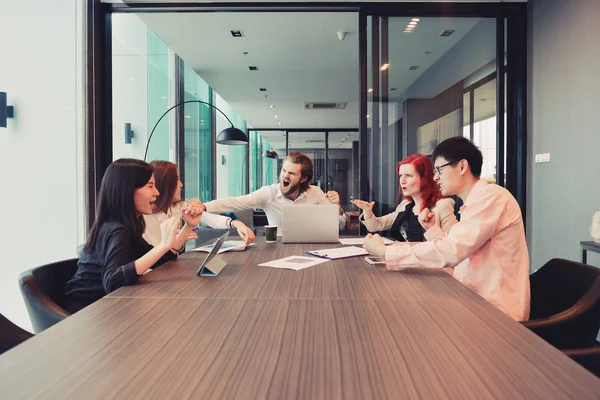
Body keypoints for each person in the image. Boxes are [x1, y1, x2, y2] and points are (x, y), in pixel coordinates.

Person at [364, 137, 530, 321]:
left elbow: (452, 251)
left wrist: (385, 253)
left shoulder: (491, 198)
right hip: (470, 299)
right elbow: (460, 247)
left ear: (462, 167)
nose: (435, 177)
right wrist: (433, 229)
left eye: (439, 170)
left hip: (495, 313)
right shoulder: (476, 201)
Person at [64, 158, 201, 313]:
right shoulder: (117, 229)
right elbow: (113, 281)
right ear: (128, 190)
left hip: (108, 306)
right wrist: (162, 246)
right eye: (150, 186)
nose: (156, 192)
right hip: (86, 313)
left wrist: (188, 225)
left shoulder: (130, 225)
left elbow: (160, 261)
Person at [197, 152, 349, 234]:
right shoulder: (268, 193)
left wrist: (338, 208)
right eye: (284, 170)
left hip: (311, 247)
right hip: (277, 248)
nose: (285, 176)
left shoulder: (315, 192)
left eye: (291, 173)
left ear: (303, 178)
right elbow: (235, 202)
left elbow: (339, 226)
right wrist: (203, 207)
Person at [143, 161, 255, 247]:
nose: (181, 185)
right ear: (165, 184)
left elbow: (211, 219)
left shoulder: (177, 207)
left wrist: (236, 223)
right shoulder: (143, 217)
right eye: (177, 180)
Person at [352, 154, 457, 242]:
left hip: (428, 265)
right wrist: (367, 211)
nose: (402, 181)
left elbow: (452, 247)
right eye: (400, 175)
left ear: (425, 178)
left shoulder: (442, 205)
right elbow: (376, 225)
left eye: (409, 176)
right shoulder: (405, 205)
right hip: (403, 261)